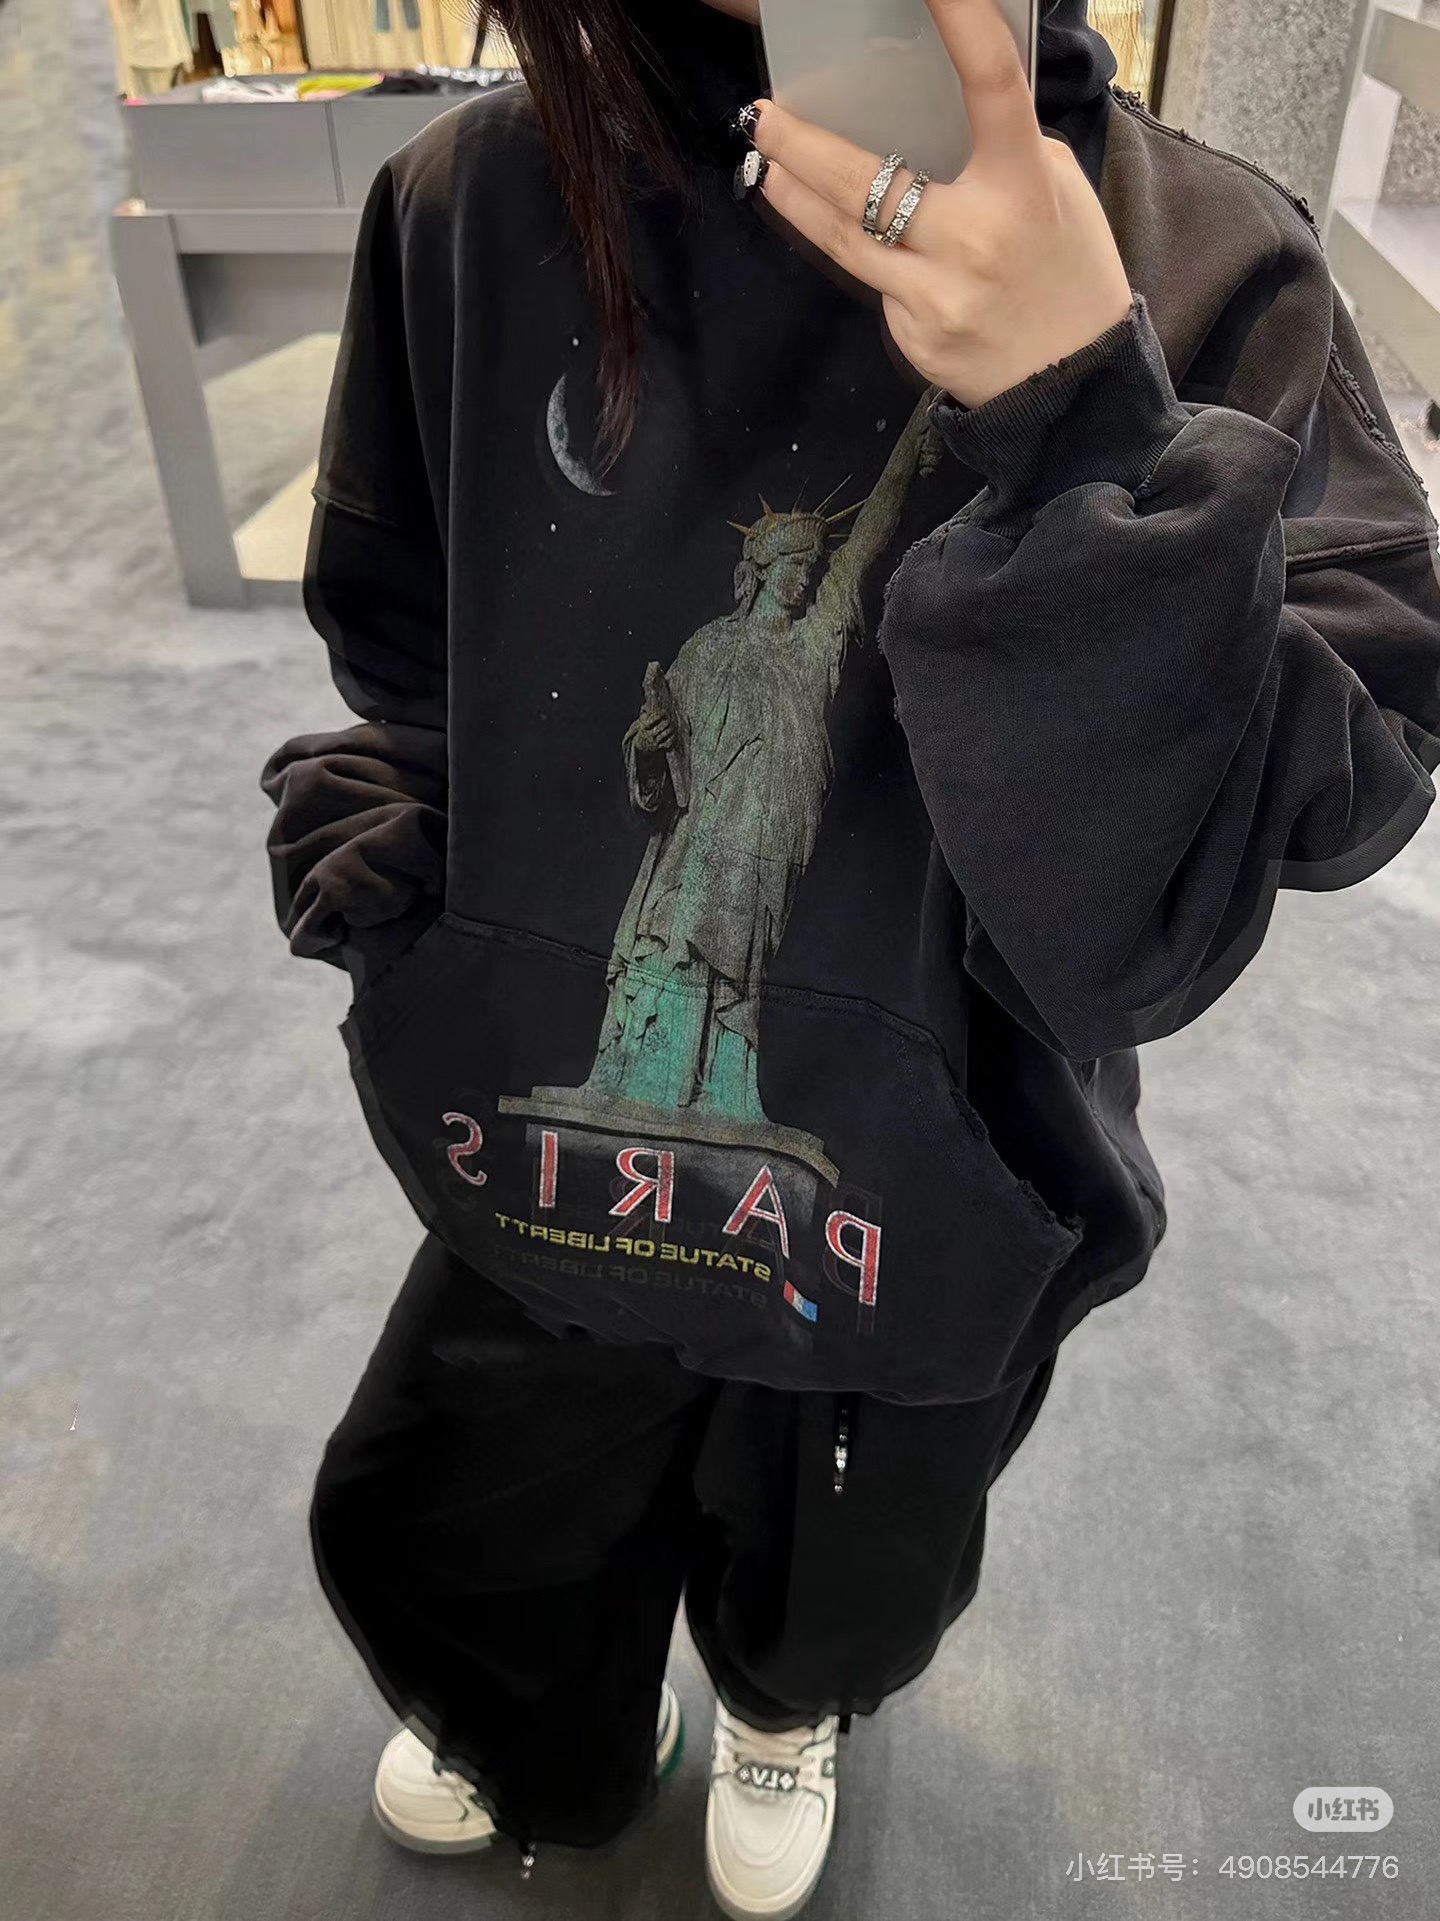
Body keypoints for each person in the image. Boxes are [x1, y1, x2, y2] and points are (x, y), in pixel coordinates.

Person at [258, 0, 1440, 1912]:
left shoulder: (1212, 264)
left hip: (933, 1175)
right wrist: (411, 905)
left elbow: (1223, 858)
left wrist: (1088, 428)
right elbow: (414, 650)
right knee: (474, 1515)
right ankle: (557, 1730)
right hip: (551, 1124)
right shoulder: (466, 203)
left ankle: (779, 1698)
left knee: (848, 1555)